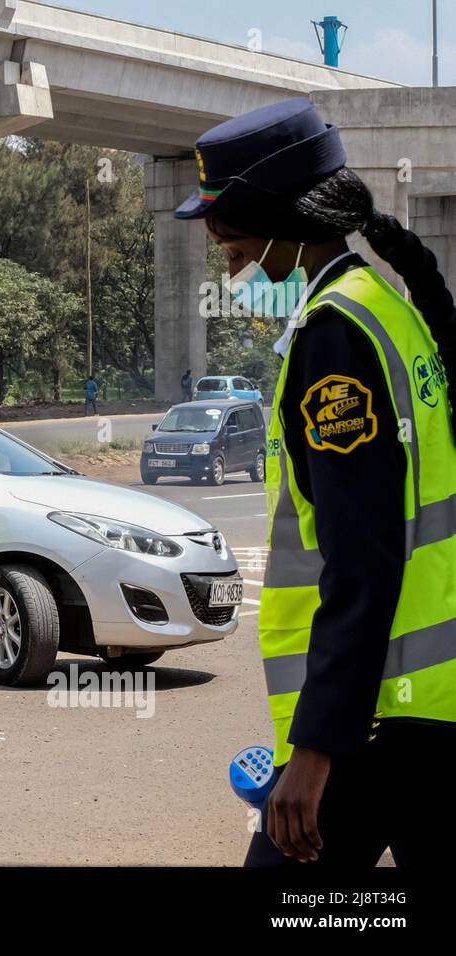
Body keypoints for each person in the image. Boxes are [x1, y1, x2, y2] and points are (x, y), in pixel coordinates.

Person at [176, 97, 456, 866]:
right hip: (424, 709)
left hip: (376, 721)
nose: (235, 275)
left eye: (235, 252)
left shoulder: (335, 336)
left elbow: (360, 560)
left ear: (284, 230)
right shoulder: (387, 307)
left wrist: (317, 748)